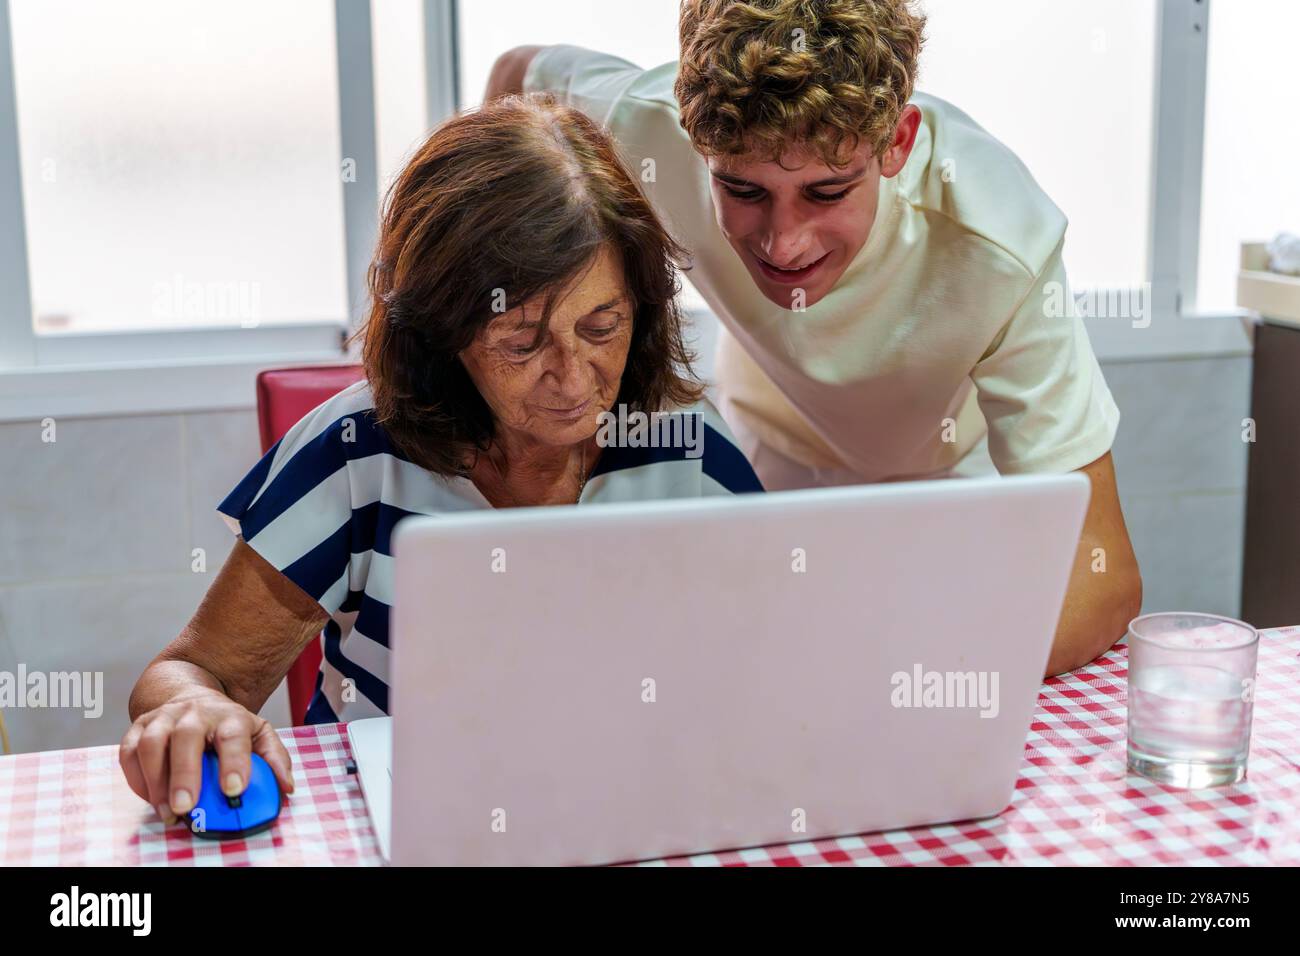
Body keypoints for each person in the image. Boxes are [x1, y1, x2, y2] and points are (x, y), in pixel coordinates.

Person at [120, 94, 763, 826]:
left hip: (624, 813)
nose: (575, 376)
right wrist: (195, 710)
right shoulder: (358, 452)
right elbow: (193, 671)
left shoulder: (686, 447)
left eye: (602, 325)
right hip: (397, 821)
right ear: (442, 331)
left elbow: (778, 665)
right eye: (521, 341)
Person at [487, 0, 1142, 676]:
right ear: (691, 138)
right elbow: (515, 74)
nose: (784, 243)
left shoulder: (1003, 241)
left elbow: (1105, 577)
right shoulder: (638, 121)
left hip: (942, 474)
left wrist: (920, 672)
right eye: (742, 188)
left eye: (827, 193)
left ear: (899, 142)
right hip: (767, 447)